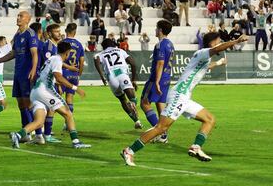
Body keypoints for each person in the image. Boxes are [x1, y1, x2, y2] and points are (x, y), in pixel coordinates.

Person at [121, 33, 248, 166]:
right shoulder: (204, 52)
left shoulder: (203, 57)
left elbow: (205, 67)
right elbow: (217, 49)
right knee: (161, 128)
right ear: (212, 43)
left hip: (184, 97)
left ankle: (196, 147)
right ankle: (129, 151)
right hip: (179, 95)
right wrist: (236, 41)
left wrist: (219, 63)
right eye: (218, 41)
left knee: (209, 119)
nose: (220, 44)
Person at [9, 41, 91, 149]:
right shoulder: (57, 60)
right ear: (67, 53)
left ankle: (18, 135)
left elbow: (48, 76)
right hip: (45, 92)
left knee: (38, 122)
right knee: (68, 114)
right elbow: (58, 77)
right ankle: (76, 142)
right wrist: (75, 88)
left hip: (36, 92)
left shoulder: (51, 59)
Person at [0, 11, 39, 143]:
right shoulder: (17, 35)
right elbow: (13, 54)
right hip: (18, 73)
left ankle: (38, 133)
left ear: (28, 19)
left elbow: (35, 54)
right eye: (18, 16)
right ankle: (26, 132)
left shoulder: (30, 34)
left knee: (28, 103)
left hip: (27, 73)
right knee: (21, 104)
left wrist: (33, 69)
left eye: (21, 16)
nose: (18, 18)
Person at [94, 38, 143, 129]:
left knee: (122, 100)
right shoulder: (120, 51)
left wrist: (101, 75)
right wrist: (134, 80)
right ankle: (133, 104)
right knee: (132, 98)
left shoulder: (100, 54)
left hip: (111, 78)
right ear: (113, 44)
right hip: (121, 73)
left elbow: (96, 60)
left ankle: (137, 121)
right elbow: (133, 63)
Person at [140, 20, 174, 143]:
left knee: (144, 103)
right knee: (161, 104)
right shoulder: (170, 44)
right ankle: (163, 134)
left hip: (157, 79)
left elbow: (160, 63)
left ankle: (161, 132)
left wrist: (157, 82)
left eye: (156, 28)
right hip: (167, 78)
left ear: (160, 30)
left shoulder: (160, 45)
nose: (155, 30)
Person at [62, 23, 85, 115]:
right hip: (74, 74)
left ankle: (46, 123)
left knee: (56, 97)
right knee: (69, 98)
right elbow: (82, 62)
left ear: (65, 31)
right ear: (75, 32)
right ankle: (68, 123)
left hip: (63, 73)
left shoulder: (61, 43)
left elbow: (57, 59)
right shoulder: (79, 45)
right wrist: (79, 74)